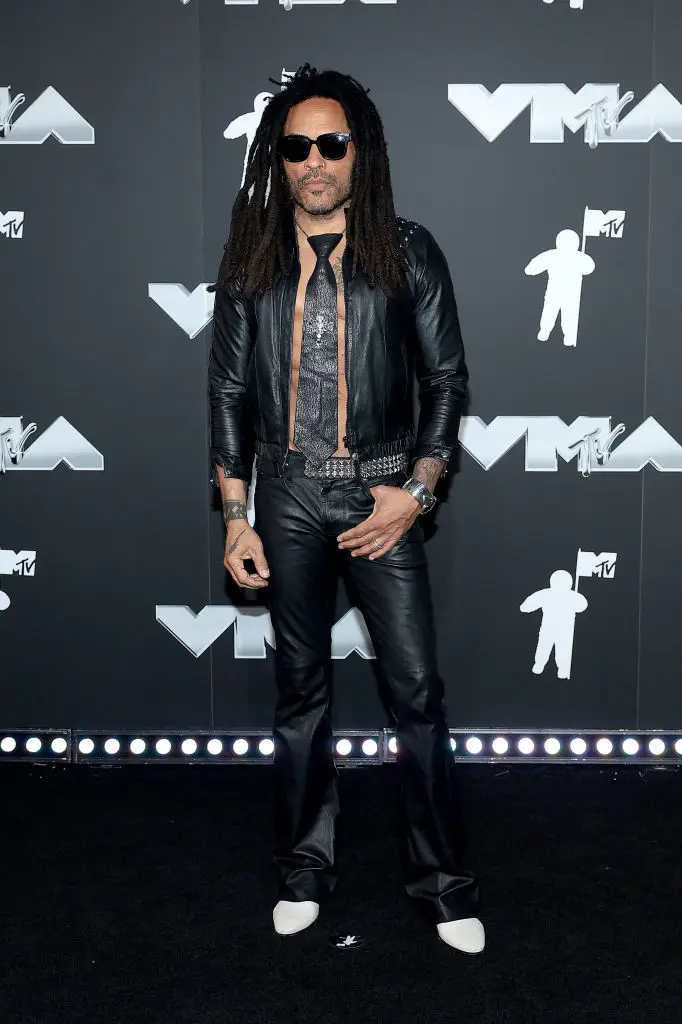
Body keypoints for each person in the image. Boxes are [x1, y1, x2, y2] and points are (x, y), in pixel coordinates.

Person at [207, 64, 484, 955]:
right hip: (283, 494)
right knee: (300, 697)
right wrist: (235, 510)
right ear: (276, 158)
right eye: (296, 146)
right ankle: (303, 871)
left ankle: (444, 884)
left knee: (416, 695)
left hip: (381, 490)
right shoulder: (251, 255)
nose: (314, 161)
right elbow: (226, 392)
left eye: (332, 143)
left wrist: (417, 490)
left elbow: (446, 380)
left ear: (360, 151)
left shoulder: (408, 250)